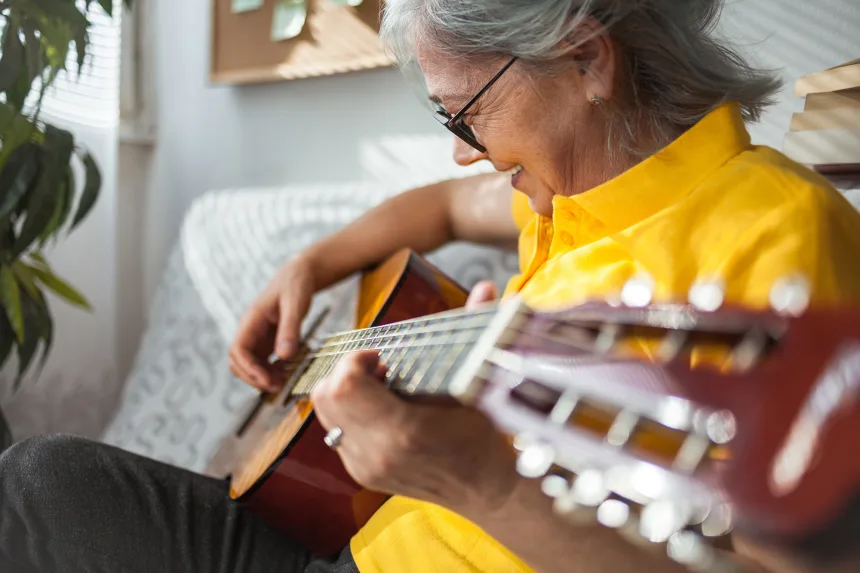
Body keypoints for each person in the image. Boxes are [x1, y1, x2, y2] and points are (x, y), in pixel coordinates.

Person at [2, 0, 860, 572]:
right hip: (347, 540)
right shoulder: (572, 188)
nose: (460, 146)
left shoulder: (776, 230)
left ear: (586, 58)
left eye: (465, 114)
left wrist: (481, 480)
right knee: (39, 478)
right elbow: (443, 206)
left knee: (38, 485)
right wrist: (313, 264)